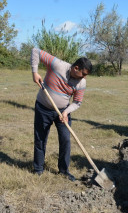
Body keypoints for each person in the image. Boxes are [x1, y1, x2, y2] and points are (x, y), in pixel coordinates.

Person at [31, 48, 93, 181]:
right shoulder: (57, 65)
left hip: (62, 112)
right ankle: (38, 169)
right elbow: (35, 51)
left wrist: (66, 112)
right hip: (43, 108)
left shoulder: (81, 82)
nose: (84, 77)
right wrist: (35, 72)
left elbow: (77, 102)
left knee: (65, 140)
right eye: (83, 74)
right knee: (40, 138)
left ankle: (64, 171)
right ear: (76, 68)